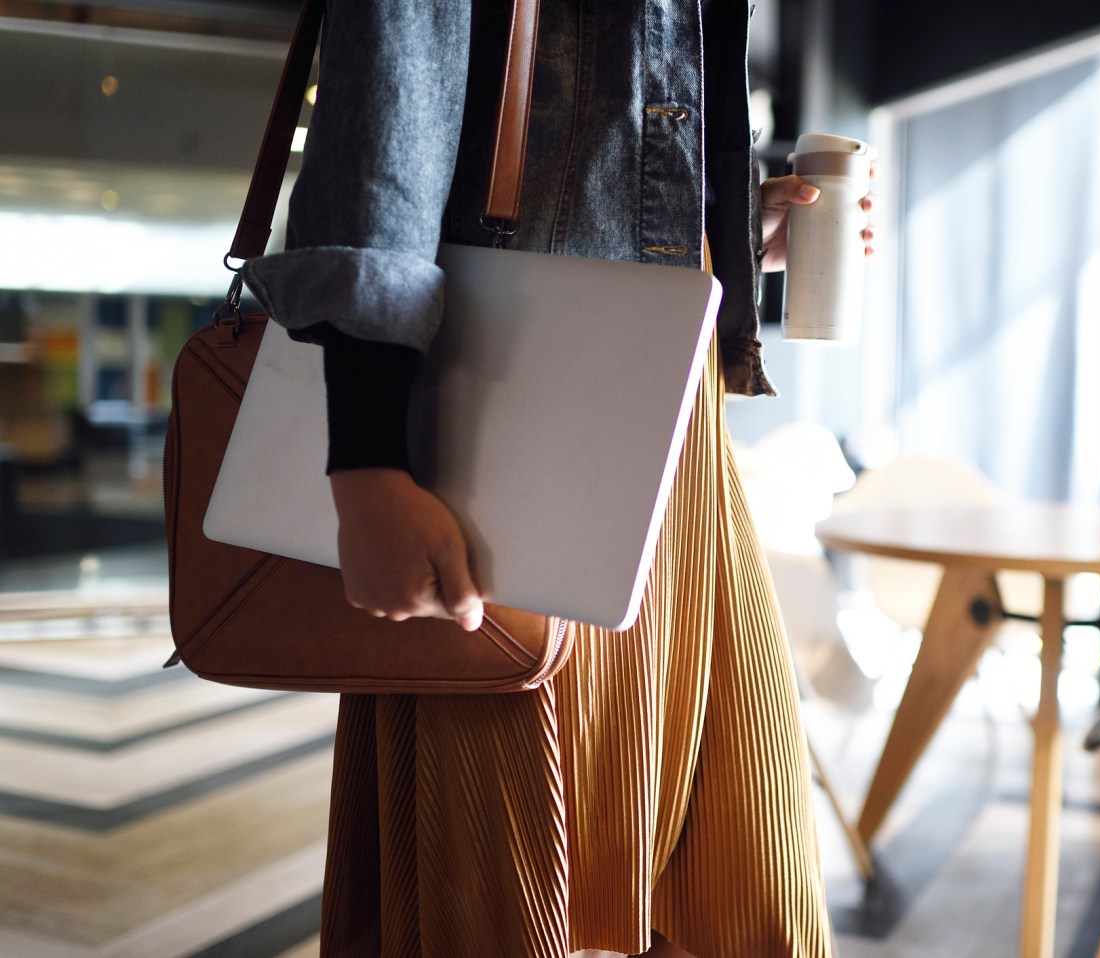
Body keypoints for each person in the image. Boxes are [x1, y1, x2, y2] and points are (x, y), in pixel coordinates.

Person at [241, 2, 874, 955]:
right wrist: (368, 455)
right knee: (497, 893)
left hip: (666, 409)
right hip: (505, 406)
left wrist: (730, 221)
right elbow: (386, 108)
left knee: (743, 887)